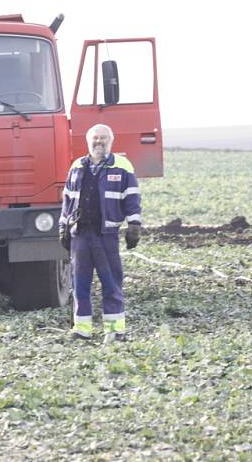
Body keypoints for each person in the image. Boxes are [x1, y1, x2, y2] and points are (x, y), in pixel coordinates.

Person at [58, 124, 141, 343]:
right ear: (88, 141)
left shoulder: (122, 166)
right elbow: (67, 199)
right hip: (80, 235)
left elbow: (132, 197)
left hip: (106, 235)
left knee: (111, 283)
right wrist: (63, 227)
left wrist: (134, 225)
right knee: (80, 284)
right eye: (95, 138)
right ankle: (82, 329)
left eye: (103, 138)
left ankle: (115, 331)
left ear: (110, 141)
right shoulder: (77, 166)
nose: (99, 142)